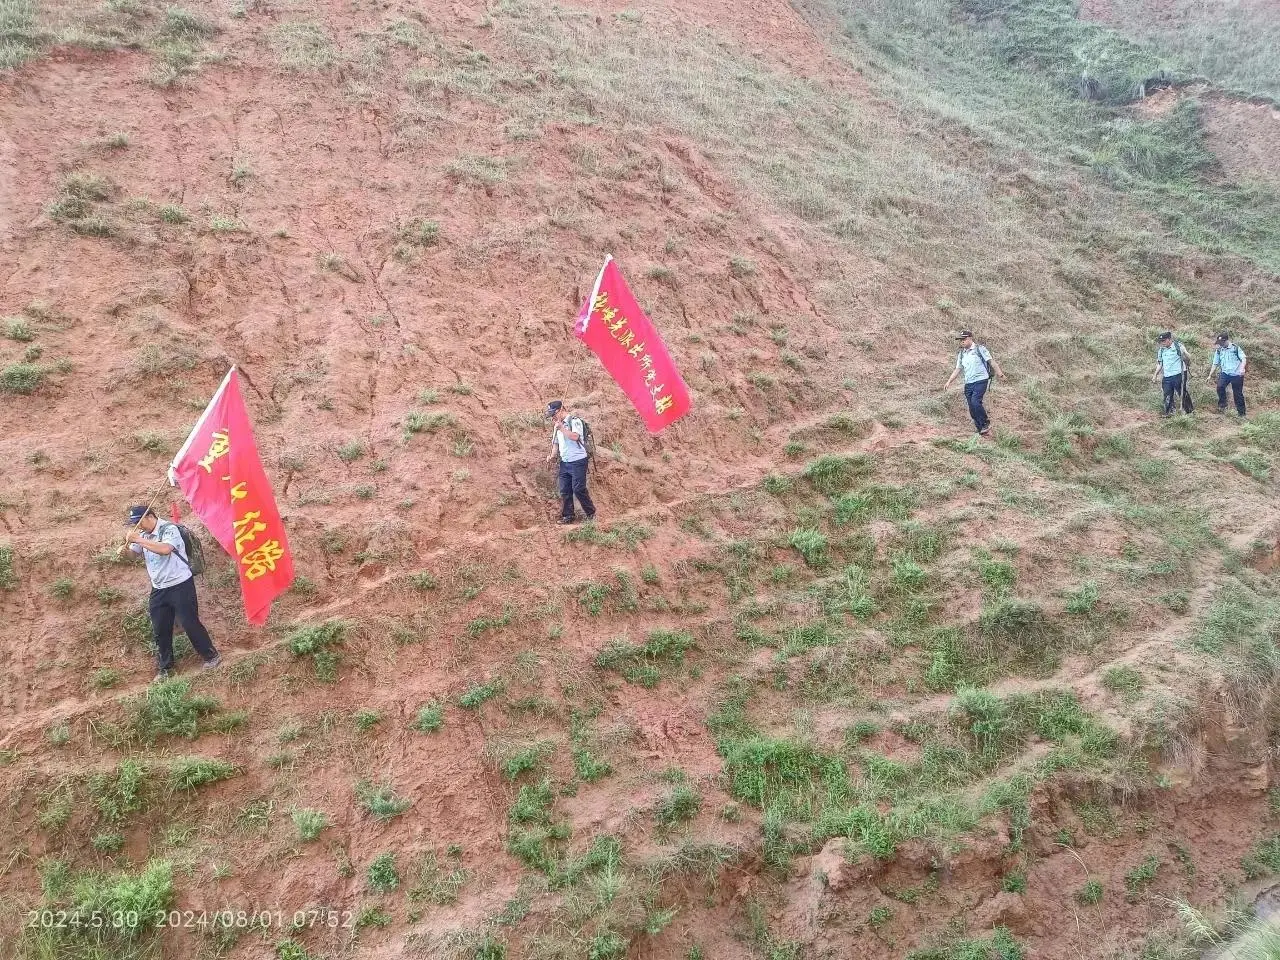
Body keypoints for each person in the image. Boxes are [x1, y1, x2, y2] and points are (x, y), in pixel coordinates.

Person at [121, 505, 220, 680]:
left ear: (150, 516)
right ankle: (165, 668)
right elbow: (133, 556)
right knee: (160, 629)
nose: (137, 526)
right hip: (159, 588)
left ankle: (211, 656)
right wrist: (125, 552)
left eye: (139, 522)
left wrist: (139, 539)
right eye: (134, 524)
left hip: (180, 585)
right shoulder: (143, 536)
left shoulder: (169, 529)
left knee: (190, 623)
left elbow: (165, 549)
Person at [944, 330, 1005, 438]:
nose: (962, 342)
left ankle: (986, 423)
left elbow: (992, 362)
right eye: (960, 340)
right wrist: (949, 381)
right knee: (972, 408)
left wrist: (1000, 374)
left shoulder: (980, 349)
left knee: (976, 402)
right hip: (969, 383)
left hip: (981, 380)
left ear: (970, 338)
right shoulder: (962, 354)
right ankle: (981, 430)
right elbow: (958, 369)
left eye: (964, 339)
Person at [544, 400, 596, 525]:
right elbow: (556, 443)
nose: (552, 417)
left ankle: (591, 513)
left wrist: (562, 428)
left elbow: (575, 437)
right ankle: (568, 515)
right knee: (564, 490)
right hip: (565, 462)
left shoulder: (574, 421)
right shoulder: (557, 425)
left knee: (578, 489)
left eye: (553, 414)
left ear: (560, 410)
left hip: (578, 461)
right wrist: (552, 456)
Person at [1151, 331, 1193, 417]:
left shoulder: (1179, 346)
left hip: (1179, 374)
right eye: (1161, 341)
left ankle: (1189, 411)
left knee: (1182, 392)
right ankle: (1169, 412)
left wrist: (1185, 356)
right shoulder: (1161, 350)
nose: (1162, 343)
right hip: (1167, 375)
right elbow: (1160, 363)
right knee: (1167, 393)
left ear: (1169, 339)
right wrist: (1155, 375)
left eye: (1164, 341)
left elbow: (1188, 358)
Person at [1207, 331, 1247, 418]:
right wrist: (1210, 375)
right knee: (1220, 387)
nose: (1220, 344)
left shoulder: (1235, 348)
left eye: (1221, 342)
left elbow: (1243, 358)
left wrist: (1242, 368)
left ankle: (1241, 413)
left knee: (1238, 394)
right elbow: (1215, 363)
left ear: (1226, 341)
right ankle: (1223, 406)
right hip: (1225, 373)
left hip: (1236, 374)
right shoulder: (1219, 350)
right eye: (1219, 343)